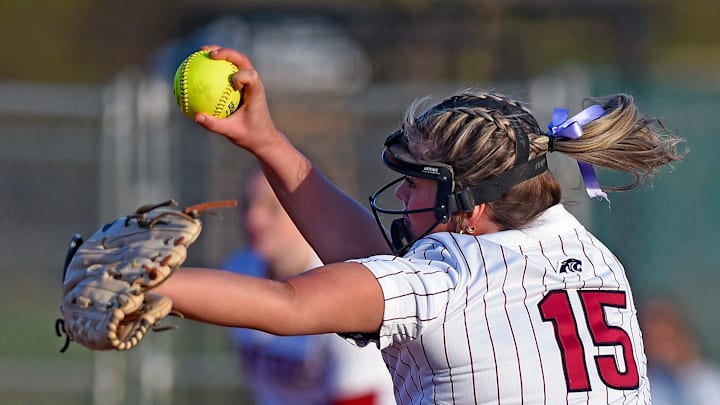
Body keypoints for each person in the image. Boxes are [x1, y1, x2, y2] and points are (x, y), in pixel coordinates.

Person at [155, 46, 685, 404]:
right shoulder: (588, 253)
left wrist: (150, 285)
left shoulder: (452, 278)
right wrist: (267, 140)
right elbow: (377, 268)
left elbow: (291, 304)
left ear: (473, 203)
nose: (403, 194)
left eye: (417, 182)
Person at [223, 169, 395, 405]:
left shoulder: (343, 288)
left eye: (273, 207)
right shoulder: (239, 270)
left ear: (309, 213)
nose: (253, 219)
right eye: (247, 206)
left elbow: (359, 398)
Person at [639, 298, 720, 405]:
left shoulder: (709, 381)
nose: (661, 348)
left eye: (666, 338)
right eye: (654, 340)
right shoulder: (643, 387)